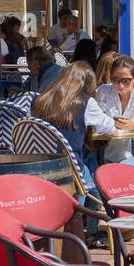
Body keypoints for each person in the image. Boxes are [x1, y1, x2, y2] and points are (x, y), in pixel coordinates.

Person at [31, 60, 115, 192]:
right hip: (69, 169)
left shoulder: (39, 100)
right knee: (89, 159)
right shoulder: (86, 103)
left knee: (87, 156)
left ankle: (94, 195)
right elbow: (110, 128)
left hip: (39, 165)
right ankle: (95, 200)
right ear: (89, 85)